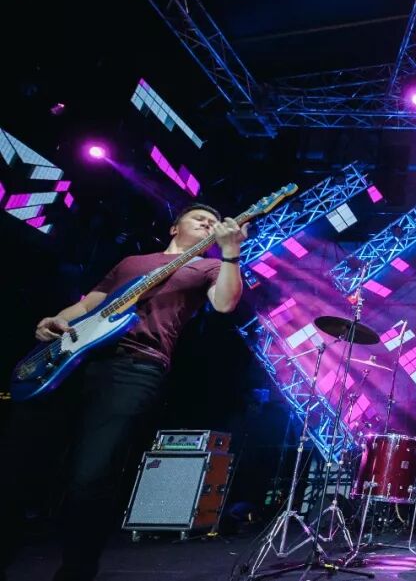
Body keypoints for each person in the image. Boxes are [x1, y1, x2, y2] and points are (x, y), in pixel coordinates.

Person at [1, 203, 247, 581]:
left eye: (213, 222)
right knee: (20, 465)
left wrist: (231, 252)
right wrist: (58, 319)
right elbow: (90, 302)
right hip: (73, 361)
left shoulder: (210, 267)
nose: (208, 223)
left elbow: (225, 303)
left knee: (92, 474)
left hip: (136, 367)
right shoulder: (132, 262)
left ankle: (76, 572)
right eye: (199, 218)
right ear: (173, 227)